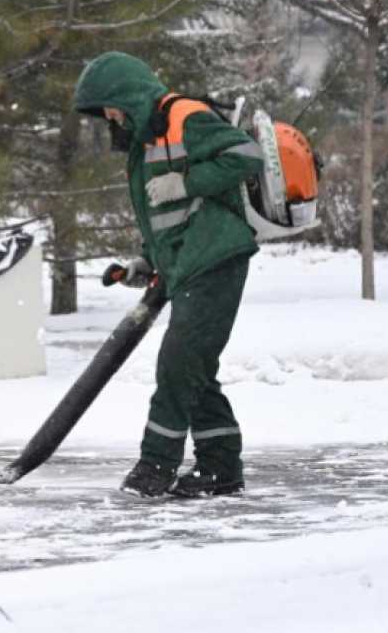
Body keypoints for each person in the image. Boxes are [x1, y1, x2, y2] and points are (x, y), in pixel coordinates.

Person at [73, 51, 264, 498]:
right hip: (189, 263)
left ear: (127, 97)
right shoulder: (146, 144)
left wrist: (189, 181)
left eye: (112, 109)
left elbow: (246, 154)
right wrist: (146, 262)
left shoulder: (184, 116)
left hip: (216, 258)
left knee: (177, 366)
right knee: (193, 370)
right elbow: (163, 216)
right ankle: (220, 469)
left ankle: (155, 467)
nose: (111, 119)